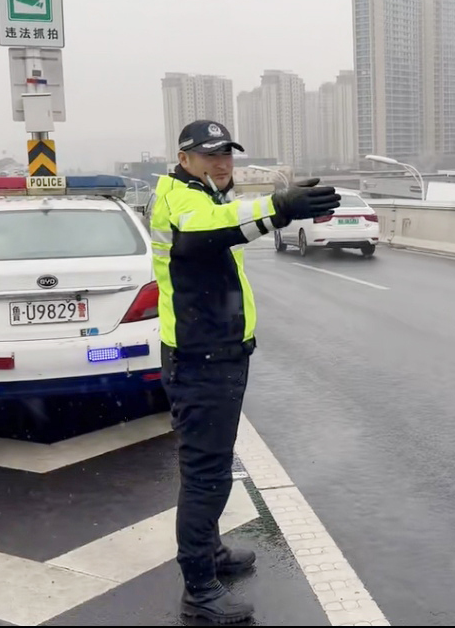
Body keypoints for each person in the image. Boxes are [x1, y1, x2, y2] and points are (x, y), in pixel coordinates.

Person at [150, 120, 341, 623]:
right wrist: (279, 208)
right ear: (184, 157)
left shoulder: (197, 193)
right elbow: (207, 231)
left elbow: (227, 226)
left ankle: (210, 553)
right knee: (206, 476)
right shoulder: (181, 201)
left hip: (213, 354)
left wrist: (273, 214)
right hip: (201, 358)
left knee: (212, 466)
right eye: (210, 155)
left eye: (228, 155)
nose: (222, 164)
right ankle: (200, 590)